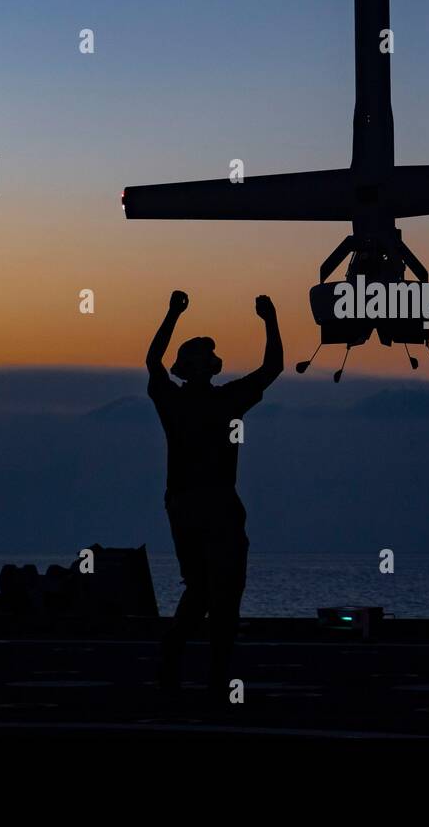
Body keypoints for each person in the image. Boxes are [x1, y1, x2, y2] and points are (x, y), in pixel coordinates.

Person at [146, 289, 283, 700]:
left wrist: (172, 314)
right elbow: (272, 367)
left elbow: (153, 362)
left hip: (193, 505)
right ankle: (208, 674)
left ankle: (190, 664)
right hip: (208, 506)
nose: (209, 359)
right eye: (203, 354)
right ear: (193, 366)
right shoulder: (217, 401)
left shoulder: (200, 400)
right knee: (219, 593)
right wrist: (269, 319)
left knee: (207, 591)